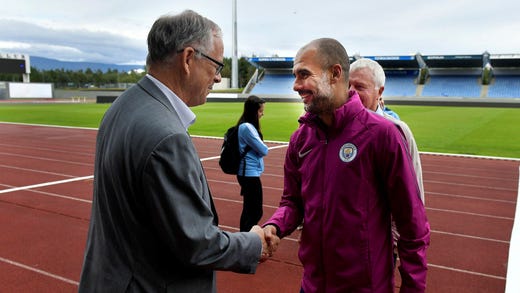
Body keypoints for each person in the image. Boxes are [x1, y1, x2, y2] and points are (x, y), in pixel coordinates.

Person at [79, 10, 270, 293]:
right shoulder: (167, 136)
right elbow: (198, 245)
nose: (218, 78)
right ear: (188, 58)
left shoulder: (122, 107)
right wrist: (254, 242)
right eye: (217, 66)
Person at [262, 38, 430, 292]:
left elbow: (412, 226)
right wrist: (275, 226)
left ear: (335, 73)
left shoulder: (383, 135)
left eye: (304, 75)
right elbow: (292, 202)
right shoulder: (301, 139)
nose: (296, 86)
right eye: (295, 76)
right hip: (312, 285)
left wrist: (412, 288)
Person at [349, 58, 424, 203]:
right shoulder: (335, 128)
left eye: (359, 87)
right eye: (348, 86)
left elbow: (413, 196)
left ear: (379, 92)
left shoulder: (398, 131)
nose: (351, 93)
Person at [236, 95, 269, 232]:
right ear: (253, 111)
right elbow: (263, 149)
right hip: (248, 174)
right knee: (254, 211)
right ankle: (245, 240)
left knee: (251, 210)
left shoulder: (247, 126)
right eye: (260, 111)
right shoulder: (247, 127)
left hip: (249, 173)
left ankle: (245, 239)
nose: (262, 114)